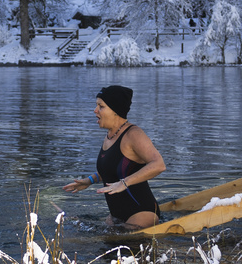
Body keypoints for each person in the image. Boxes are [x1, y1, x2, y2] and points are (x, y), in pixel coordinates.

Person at [63, 85, 166, 229]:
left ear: (115, 111)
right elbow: (115, 168)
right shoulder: (110, 136)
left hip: (141, 214)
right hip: (116, 216)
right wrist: (89, 180)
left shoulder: (133, 134)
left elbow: (159, 164)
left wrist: (124, 183)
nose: (95, 110)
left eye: (101, 106)